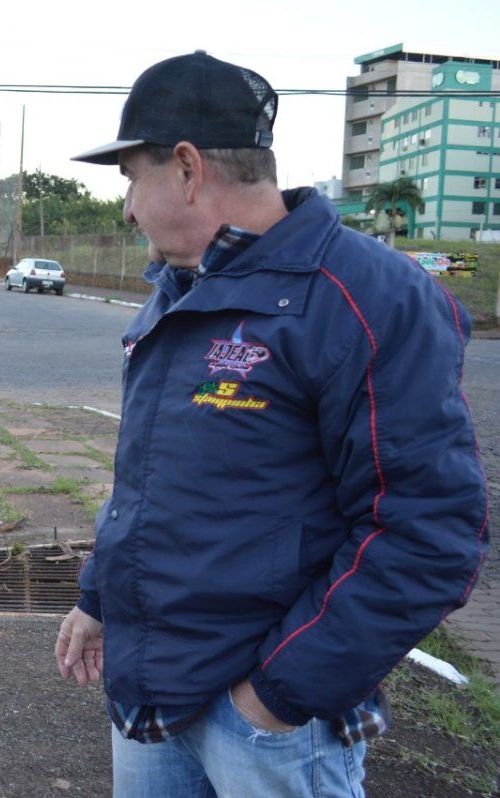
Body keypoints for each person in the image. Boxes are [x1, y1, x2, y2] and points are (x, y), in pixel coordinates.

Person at [55, 50, 489, 797]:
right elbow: (154, 479)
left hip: (267, 722)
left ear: (188, 168)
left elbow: (430, 531)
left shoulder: (366, 298)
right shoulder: (180, 291)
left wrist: (274, 699)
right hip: (152, 695)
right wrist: (99, 599)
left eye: (131, 176)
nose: (126, 206)